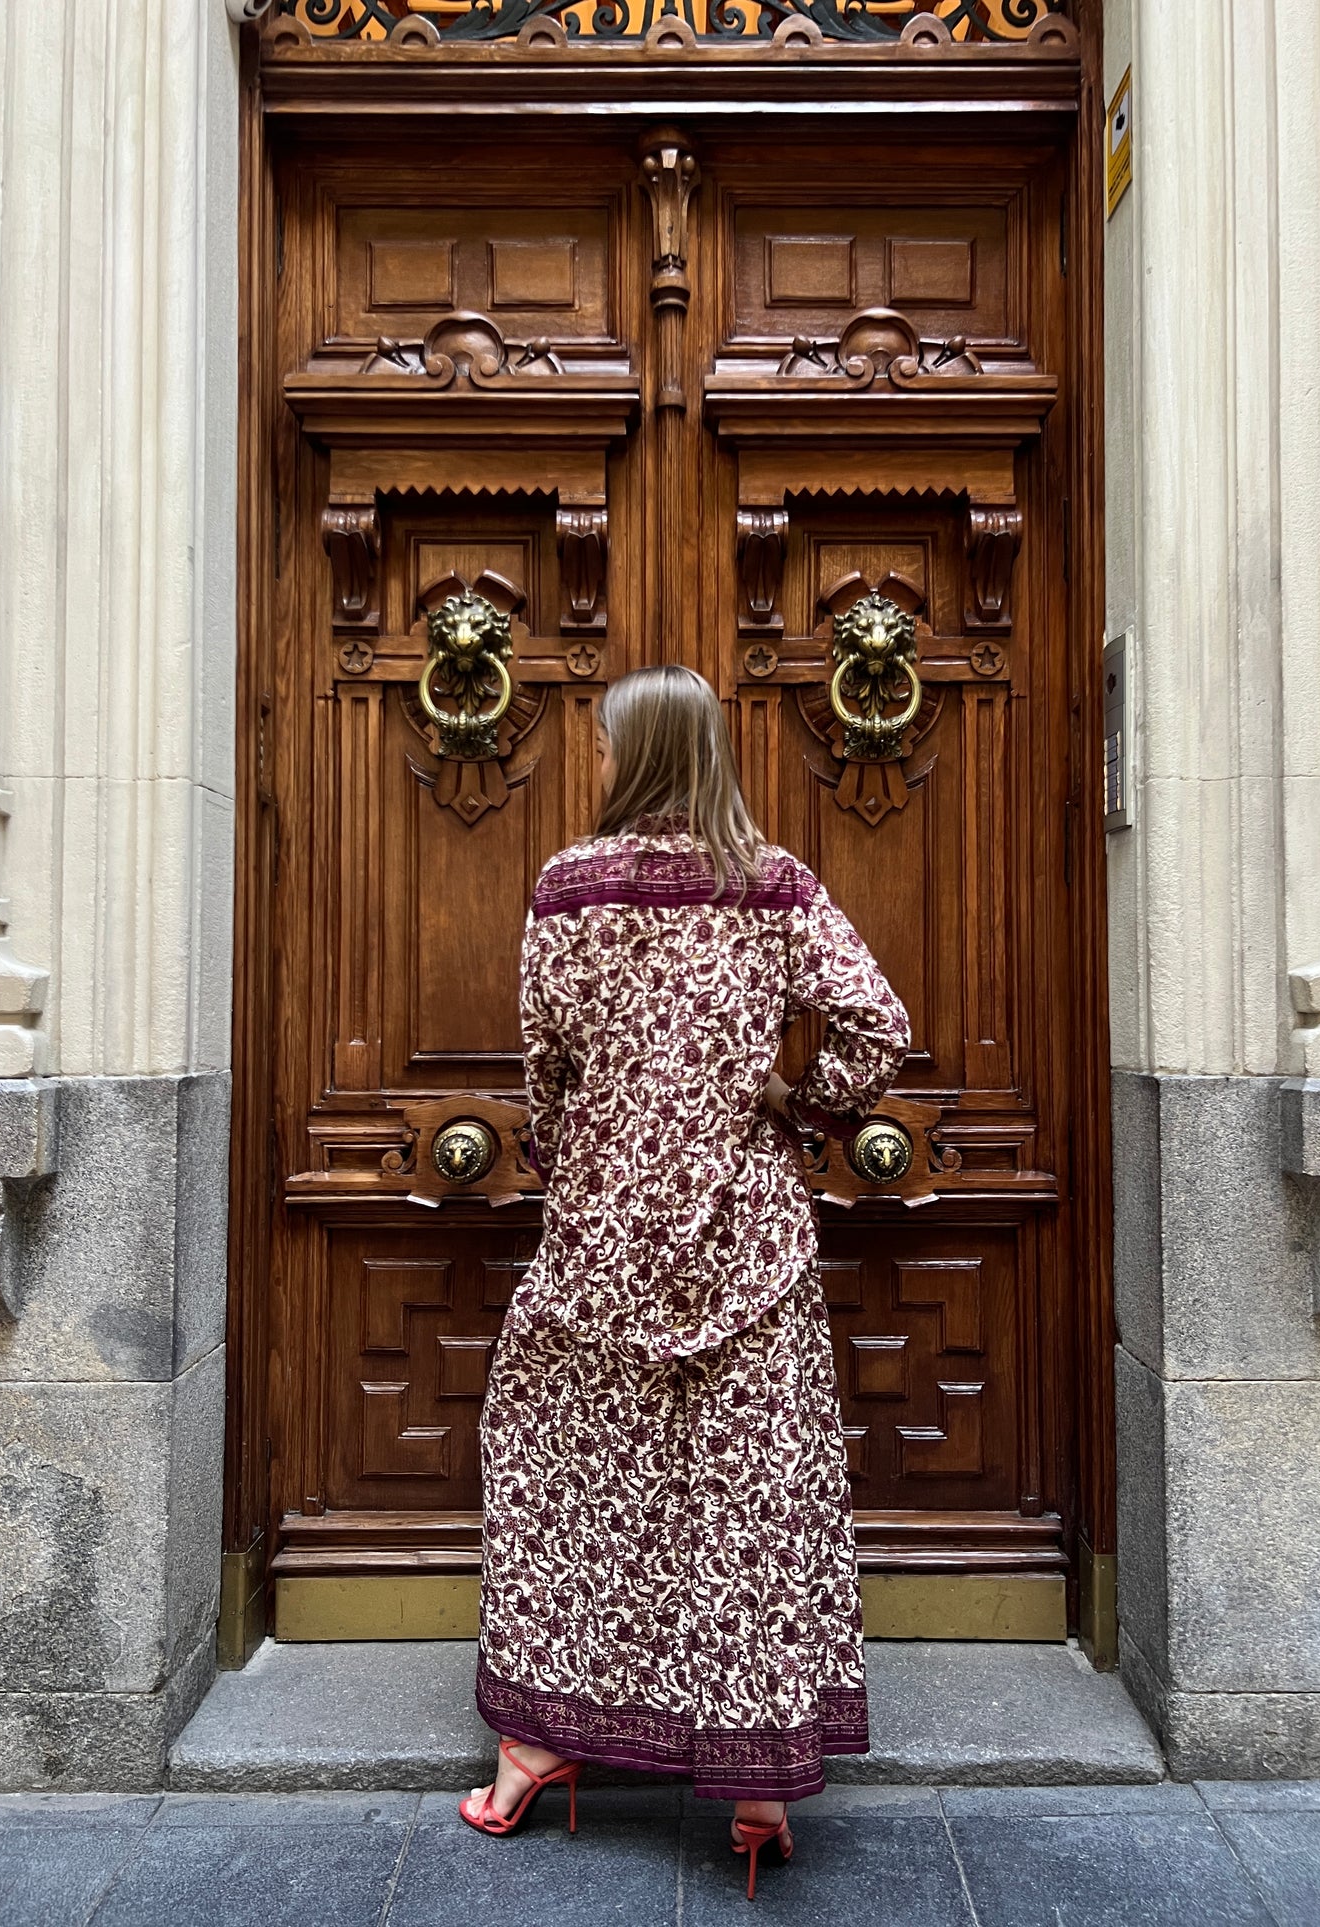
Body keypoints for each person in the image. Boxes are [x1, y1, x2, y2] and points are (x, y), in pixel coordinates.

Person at [459, 664, 909, 1897]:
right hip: (747, 1241)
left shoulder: (565, 889)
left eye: (605, 745)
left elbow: (543, 1069)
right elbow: (877, 1026)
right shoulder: (773, 885)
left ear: (635, 754)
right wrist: (793, 1103)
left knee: (566, 1475)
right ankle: (758, 1788)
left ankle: (537, 1747)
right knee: (748, 1500)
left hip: (600, 1238)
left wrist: (568, 1150)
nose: (597, 763)